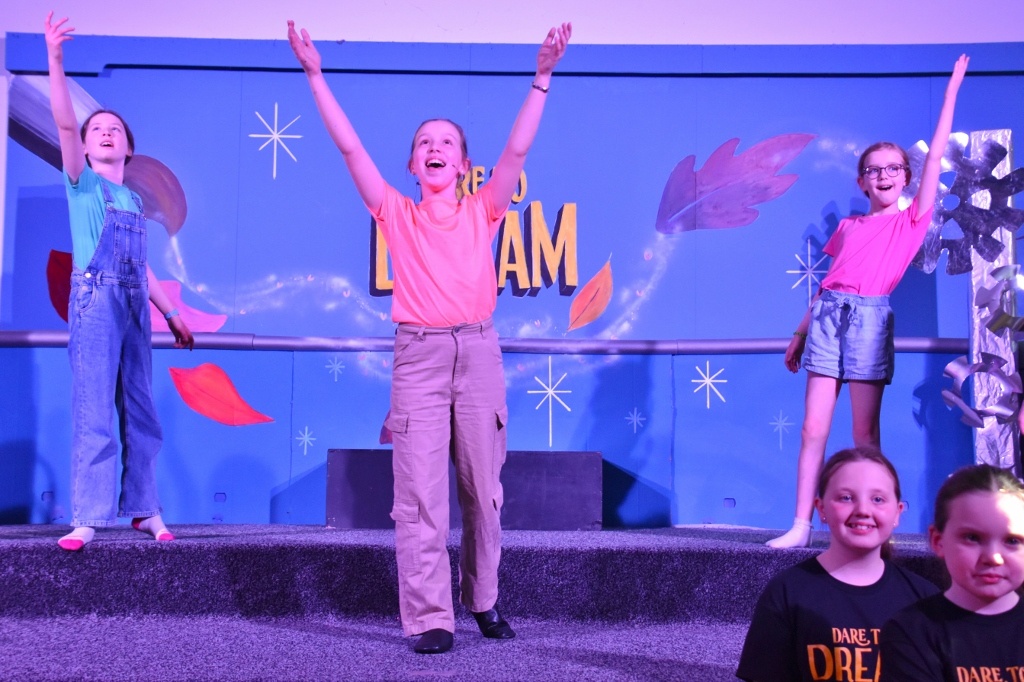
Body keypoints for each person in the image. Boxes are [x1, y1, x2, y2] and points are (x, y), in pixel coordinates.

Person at [287, 19, 571, 654]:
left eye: (447, 142)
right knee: (419, 498)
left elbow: (517, 151)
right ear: (413, 165)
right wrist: (315, 75)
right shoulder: (396, 212)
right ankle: (429, 617)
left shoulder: (484, 209)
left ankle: (484, 600)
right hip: (418, 357)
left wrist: (542, 77)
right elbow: (350, 150)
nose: (435, 148)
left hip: (479, 354)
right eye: (424, 143)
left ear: (464, 164)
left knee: (483, 492)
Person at [768, 54, 971, 549]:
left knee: (865, 435)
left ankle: (877, 528)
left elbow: (936, 154)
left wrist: (950, 92)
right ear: (860, 181)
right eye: (873, 170)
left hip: (869, 321)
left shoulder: (911, 220)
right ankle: (801, 525)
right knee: (812, 428)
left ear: (906, 176)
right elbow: (827, 284)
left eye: (893, 168)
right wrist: (799, 333)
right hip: (826, 319)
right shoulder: (848, 227)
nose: (883, 176)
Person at [45, 12, 194, 552]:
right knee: (94, 411)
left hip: (133, 305)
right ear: (84, 148)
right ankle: (88, 516)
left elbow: (142, 265)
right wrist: (55, 58)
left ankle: (145, 509)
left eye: (115, 129)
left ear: (129, 148)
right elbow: (65, 124)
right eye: (96, 130)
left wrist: (171, 313)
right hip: (95, 302)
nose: (105, 132)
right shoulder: (81, 184)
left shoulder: (132, 200)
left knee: (141, 410)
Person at [736, 447, 938, 681]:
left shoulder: (925, 601)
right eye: (846, 498)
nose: (863, 510)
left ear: (897, 512)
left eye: (878, 499)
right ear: (821, 508)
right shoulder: (787, 593)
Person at [880, 464, 1024, 680]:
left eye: (1012, 541)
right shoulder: (912, 632)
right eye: (973, 538)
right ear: (938, 541)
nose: (993, 557)